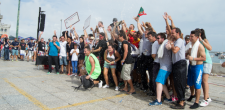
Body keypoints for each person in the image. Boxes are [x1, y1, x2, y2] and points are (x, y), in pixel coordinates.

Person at [149, 33, 172, 106]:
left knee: (158, 82)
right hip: (164, 66)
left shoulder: (166, 44)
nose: (157, 39)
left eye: (158, 38)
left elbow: (170, 44)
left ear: (163, 39)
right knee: (162, 83)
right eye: (157, 38)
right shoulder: (162, 45)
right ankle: (168, 97)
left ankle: (158, 100)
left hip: (166, 67)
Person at [187, 30, 206, 109]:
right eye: (190, 36)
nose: (190, 38)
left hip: (198, 67)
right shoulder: (190, 45)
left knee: (197, 85)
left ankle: (197, 102)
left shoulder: (199, 46)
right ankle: (192, 94)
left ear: (197, 37)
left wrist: (193, 58)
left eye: (192, 37)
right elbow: (187, 53)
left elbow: (204, 58)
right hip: (191, 66)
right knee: (190, 83)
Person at [169, 28, 187, 109]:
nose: (171, 35)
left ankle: (181, 103)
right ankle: (180, 100)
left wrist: (172, 43)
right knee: (177, 83)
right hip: (176, 64)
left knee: (180, 83)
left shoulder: (179, 41)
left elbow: (175, 50)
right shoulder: (176, 41)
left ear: (178, 33)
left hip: (180, 64)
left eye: (173, 33)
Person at [135, 17, 153, 92]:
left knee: (150, 73)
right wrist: (138, 21)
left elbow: (152, 31)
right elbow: (139, 28)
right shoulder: (143, 37)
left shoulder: (150, 39)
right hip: (143, 57)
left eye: (146, 32)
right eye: (145, 32)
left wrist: (149, 26)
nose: (144, 33)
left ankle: (151, 87)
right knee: (142, 72)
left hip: (149, 57)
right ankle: (145, 86)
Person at [197, 29, 212, 107]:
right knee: (202, 81)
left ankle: (205, 100)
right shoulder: (197, 41)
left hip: (207, 62)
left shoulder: (204, 40)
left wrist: (202, 41)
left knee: (204, 80)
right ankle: (207, 97)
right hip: (201, 62)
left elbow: (210, 48)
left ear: (200, 34)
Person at [119, 30, 135, 94]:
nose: (118, 38)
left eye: (119, 37)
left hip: (128, 61)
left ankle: (132, 89)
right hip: (126, 61)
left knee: (127, 76)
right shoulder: (124, 42)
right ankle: (126, 88)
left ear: (122, 36)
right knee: (123, 75)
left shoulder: (124, 42)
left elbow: (126, 51)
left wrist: (123, 59)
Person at [147, 31, 158, 96]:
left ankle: (155, 92)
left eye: (149, 37)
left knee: (153, 78)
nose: (148, 38)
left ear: (154, 37)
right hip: (156, 63)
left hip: (155, 63)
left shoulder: (155, 44)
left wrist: (150, 55)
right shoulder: (156, 43)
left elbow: (153, 55)